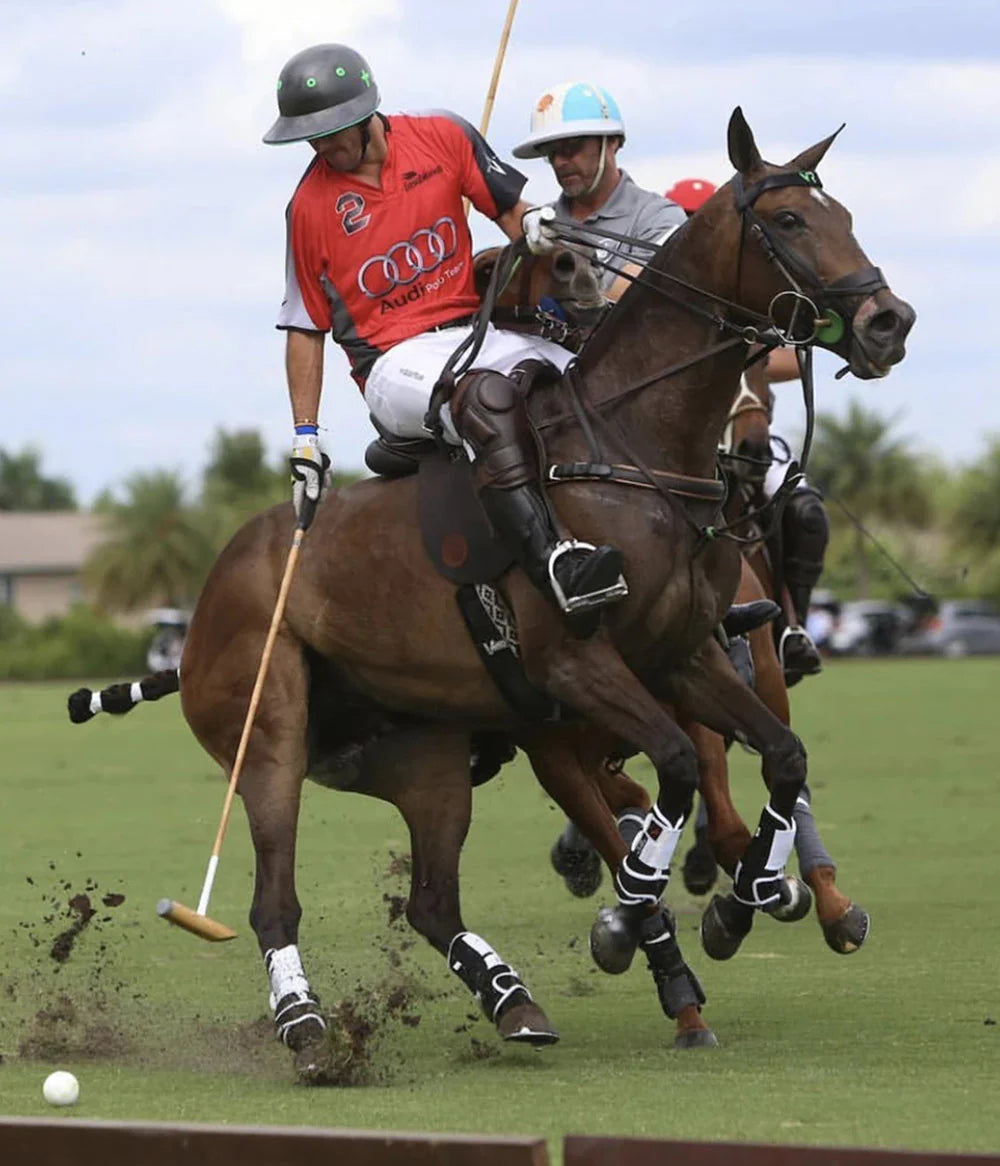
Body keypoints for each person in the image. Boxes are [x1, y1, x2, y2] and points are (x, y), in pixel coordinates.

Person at [264, 44, 626, 619]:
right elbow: (305, 328)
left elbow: (510, 210)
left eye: (331, 133)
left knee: (590, 379)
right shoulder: (308, 208)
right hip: (391, 363)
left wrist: (534, 227)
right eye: (310, 137)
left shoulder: (443, 136)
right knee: (485, 396)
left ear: (365, 116)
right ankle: (555, 561)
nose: (321, 147)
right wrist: (305, 436)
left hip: (473, 330)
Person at [513, 82, 685, 302]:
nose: (560, 161)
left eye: (572, 146)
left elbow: (627, 306)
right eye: (551, 152)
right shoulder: (540, 226)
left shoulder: (659, 218)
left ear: (612, 141)